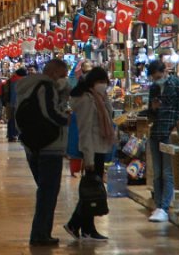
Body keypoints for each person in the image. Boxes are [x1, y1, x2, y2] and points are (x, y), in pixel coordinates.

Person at [16, 59, 70, 246]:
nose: (64, 79)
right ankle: (40, 234)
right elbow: (51, 113)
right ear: (54, 72)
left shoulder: (26, 87)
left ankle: (40, 232)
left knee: (44, 190)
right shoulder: (46, 86)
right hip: (50, 145)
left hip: (32, 144)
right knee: (48, 192)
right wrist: (67, 119)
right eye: (63, 76)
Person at [65, 67, 115, 242]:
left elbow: (109, 115)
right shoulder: (86, 100)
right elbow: (85, 130)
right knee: (92, 191)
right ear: (93, 82)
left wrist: (105, 98)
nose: (104, 85)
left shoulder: (98, 98)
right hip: (92, 150)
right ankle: (76, 225)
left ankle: (86, 228)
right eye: (101, 82)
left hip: (99, 148)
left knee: (92, 191)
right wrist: (89, 158)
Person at [147, 58, 179, 223]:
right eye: (154, 78)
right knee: (157, 173)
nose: (157, 80)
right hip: (156, 132)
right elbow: (150, 114)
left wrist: (176, 129)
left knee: (167, 171)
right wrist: (153, 108)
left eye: (158, 76)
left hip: (169, 132)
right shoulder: (154, 89)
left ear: (165, 71)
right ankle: (158, 205)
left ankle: (164, 207)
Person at [5, 67, 27, 142]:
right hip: (17, 103)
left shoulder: (12, 80)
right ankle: (14, 135)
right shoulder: (19, 81)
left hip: (11, 103)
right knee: (17, 120)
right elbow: (15, 94)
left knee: (11, 119)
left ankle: (11, 135)